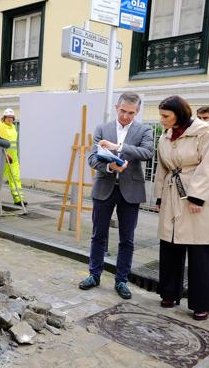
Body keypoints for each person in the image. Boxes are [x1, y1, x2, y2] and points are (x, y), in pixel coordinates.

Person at [78, 93, 154, 299]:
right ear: (116, 107)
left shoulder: (144, 130)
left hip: (131, 191)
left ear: (137, 112)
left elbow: (148, 152)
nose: (126, 116)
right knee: (98, 235)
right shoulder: (103, 129)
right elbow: (92, 158)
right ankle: (94, 274)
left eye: (131, 113)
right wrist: (110, 167)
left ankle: (121, 280)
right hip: (105, 187)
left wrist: (117, 147)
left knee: (127, 239)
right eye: (123, 111)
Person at [154, 95, 209, 321]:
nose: (161, 120)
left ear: (179, 114)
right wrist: (159, 196)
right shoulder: (165, 136)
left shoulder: (205, 134)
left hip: (196, 198)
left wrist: (196, 198)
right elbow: (162, 167)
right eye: (161, 115)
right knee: (170, 244)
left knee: (199, 250)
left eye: (166, 116)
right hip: (172, 194)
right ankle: (169, 293)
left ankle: (201, 303)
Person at [0, 108, 27, 206]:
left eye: (11, 117)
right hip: (4, 157)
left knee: (16, 178)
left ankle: (18, 199)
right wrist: (5, 154)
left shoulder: (14, 127)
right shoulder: (1, 127)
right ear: (4, 118)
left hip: (14, 159)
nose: (10, 119)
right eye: (8, 117)